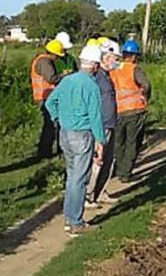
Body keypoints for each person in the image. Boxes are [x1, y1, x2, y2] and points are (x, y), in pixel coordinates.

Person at [44, 44, 106, 234]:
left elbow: (50, 102)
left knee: (72, 177)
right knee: (80, 178)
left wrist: (58, 117)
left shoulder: (67, 81)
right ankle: (76, 222)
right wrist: (100, 142)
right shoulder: (91, 86)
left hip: (65, 133)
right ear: (95, 65)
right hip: (82, 135)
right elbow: (95, 116)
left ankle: (69, 218)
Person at [110, 39, 151, 180]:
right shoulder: (134, 69)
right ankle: (125, 173)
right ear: (133, 56)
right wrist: (145, 97)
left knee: (118, 142)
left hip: (117, 111)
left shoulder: (113, 68)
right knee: (132, 143)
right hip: (134, 111)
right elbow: (146, 85)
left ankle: (117, 169)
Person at [87, 39, 120, 205]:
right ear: (106, 58)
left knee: (108, 160)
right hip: (100, 125)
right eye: (115, 58)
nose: (117, 62)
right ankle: (89, 194)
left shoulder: (106, 76)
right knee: (97, 161)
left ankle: (100, 192)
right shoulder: (97, 77)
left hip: (110, 123)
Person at [31, 39, 66, 159]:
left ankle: (46, 152)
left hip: (46, 96)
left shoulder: (42, 60)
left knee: (50, 125)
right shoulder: (45, 62)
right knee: (50, 125)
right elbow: (51, 78)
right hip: (45, 97)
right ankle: (45, 152)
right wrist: (64, 76)